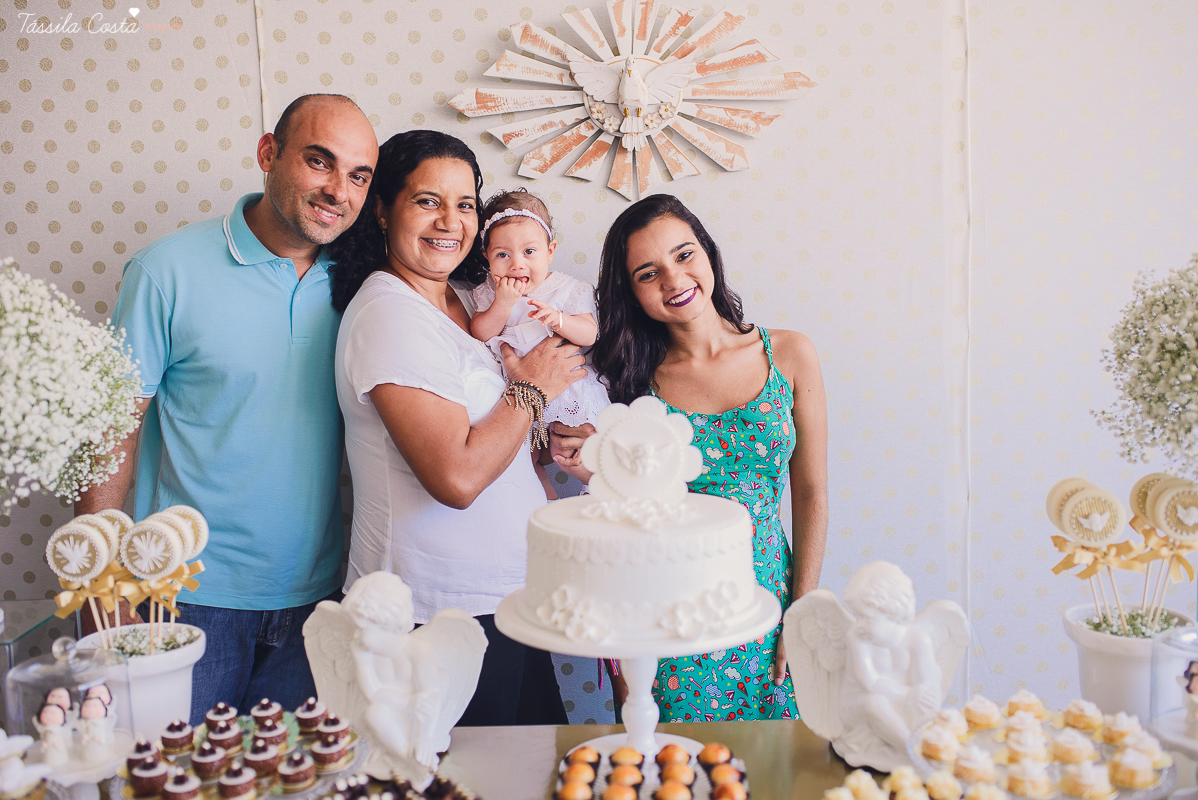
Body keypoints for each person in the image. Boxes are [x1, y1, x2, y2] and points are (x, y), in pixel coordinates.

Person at [76, 93, 379, 723]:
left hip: (318, 602)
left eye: (357, 175)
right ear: (268, 153)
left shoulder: (366, 288)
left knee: (294, 786)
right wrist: (101, 589)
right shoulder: (165, 272)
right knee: (169, 783)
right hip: (180, 599)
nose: (337, 190)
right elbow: (109, 433)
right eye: (319, 162)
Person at [327, 129, 584, 726]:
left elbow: (497, 434)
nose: (451, 220)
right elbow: (457, 476)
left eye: (465, 204)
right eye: (427, 201)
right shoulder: (390, 311)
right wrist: (535, 389)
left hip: (503, 601)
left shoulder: (466, 306)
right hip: (433, 615)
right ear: (384, 209)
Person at [556, 193, 829, 722]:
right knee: (674, 771)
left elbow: (812, 492)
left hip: (771, 605)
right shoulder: (628, 382)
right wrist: (588, 462)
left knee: (778, 773)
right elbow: (628, 502)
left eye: (684, 255)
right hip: (665, 611)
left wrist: (803, 609)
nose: (674, 281)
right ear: (632, 294)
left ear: (707, 253)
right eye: (647, 273)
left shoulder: (791, 353)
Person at [468, 189, 610, 499]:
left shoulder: (568, 288)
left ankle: (599, 496)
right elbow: (480, 331)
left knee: (577, 450)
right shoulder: (490, 293)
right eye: (503, 254)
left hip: (570, 391)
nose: (517, 264)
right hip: (519, 399)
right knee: (522, 460)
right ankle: (545, 503)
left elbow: (589, 333)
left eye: (529, 252)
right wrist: (502, 305)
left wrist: (560, 319)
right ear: (487, 256)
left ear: (550, 251)